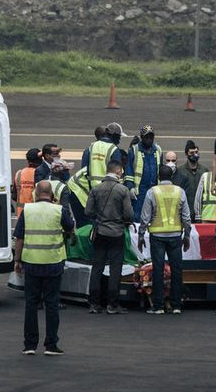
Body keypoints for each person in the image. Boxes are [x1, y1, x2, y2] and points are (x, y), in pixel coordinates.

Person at [14, 180, 75, 355]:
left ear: (35, 193)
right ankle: (51, 345)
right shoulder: (58, 210)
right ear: (52, 195)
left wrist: (17, 261)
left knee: (31, 304)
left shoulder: (28, 210)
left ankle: (30, 345)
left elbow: (19, 238)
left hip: (31, 263)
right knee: (52, 304)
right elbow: (70, 227)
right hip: (53, 263)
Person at [138, 163, 192, 314]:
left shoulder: (152, 192)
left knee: (158, 270)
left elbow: (145, 217)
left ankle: (158, 305)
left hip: (157, 235)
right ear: (172, 177)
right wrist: (187, 236)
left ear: (159, 177)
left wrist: (141, 235)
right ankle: (176, 305)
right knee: (176, 270)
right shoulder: (179, 191)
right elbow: (186, 217)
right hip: (175, 235)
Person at [84, 154, 135, 314]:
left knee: (97, 267)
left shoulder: (96, 188)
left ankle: (94, 303)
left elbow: (88, 211)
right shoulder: (122, 189)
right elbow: (129, 214)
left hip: (100, 232)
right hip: (116, 232)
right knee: (115, 268)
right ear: (118, 171)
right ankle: (112, 304)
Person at [76, 122, 128, 221]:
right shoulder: (114, 149)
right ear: (114, 136)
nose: (119, 140)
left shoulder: (91, 147)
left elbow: (84, 169)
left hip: (92, 189)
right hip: (109, 189)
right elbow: (118, 172)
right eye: (118, 137)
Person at [129, 124, 162, 218]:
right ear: (142, 137)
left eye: (151, 137)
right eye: (147, 137)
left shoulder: (158, 150)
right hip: (139, 192)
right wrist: (130, 187)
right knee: (138, 216)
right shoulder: (134, 150)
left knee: (154, 216)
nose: (149, 139)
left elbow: (160, 170)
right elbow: (129, 171)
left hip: (155, 190)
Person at [14, 147, 42, 223]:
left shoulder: (19, 174)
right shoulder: (41, 174)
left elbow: (14, 196)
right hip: (37, 215)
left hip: (21, 215)